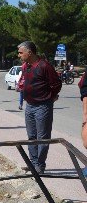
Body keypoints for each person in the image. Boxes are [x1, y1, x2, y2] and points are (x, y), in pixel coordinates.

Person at [18, 41, 61, 174]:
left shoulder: (44, 66)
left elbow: (56, 84)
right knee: (31, 136)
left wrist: (51, 96)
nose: (19, 55)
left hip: (43, 106)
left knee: (42, 137)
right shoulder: (26, 66)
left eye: (21, 52)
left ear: (29, 52)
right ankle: (33, 163)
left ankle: (40, 166)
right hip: (29, 105)